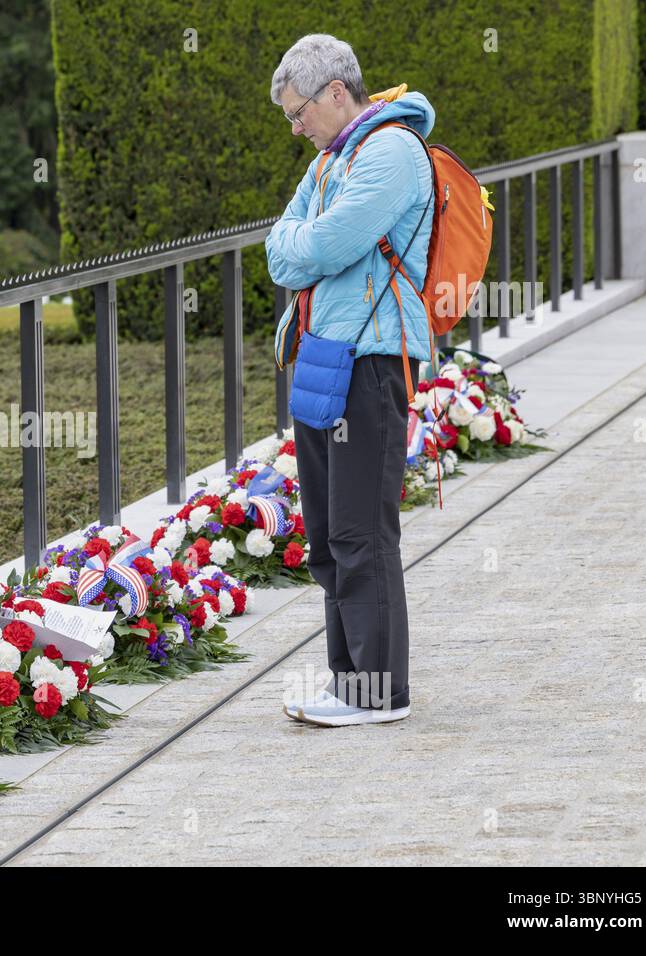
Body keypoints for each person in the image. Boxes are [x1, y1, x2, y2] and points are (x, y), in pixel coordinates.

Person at [265, 34, 435, 727]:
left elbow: (325, 244)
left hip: (370, 357)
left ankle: (378, 693)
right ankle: (348, 685)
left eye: (299, 112)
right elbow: (281, 248)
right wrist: (308, 245)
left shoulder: (391, 151)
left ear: (337, 91)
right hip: (326, 354)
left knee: (364, 531)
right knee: (332, 529)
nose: (296, 127)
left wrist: (309, 245)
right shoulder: (335, 157)